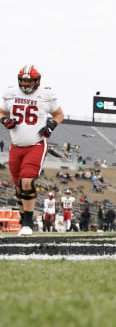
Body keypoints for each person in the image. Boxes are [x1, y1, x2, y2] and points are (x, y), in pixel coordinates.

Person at [0, 65, 64, 235]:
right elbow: (1, 112)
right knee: (19, 186)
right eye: (23, 80)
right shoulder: (10, 93)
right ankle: (23, 220)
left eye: (29, 80)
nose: (26, 83)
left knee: (27, 181)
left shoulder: (46, 95)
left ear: (37, 81)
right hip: (16, 146)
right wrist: (4, 120)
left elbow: (59, 115)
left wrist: (51, 125)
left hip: (36, 144)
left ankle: (28, 222)